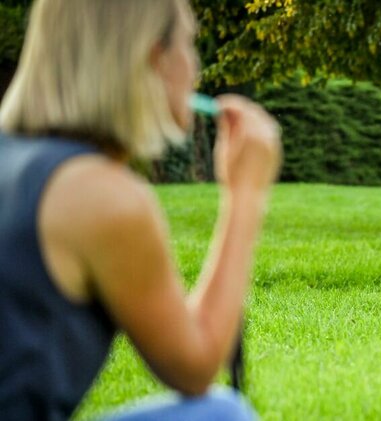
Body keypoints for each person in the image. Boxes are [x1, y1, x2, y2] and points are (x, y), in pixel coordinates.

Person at [0, 0, 282, 420]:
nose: (196, 67)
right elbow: (195, 366)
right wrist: (246, 195)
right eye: (189, 44)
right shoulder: (101, 196)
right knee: (220, 415)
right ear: (155, 56)